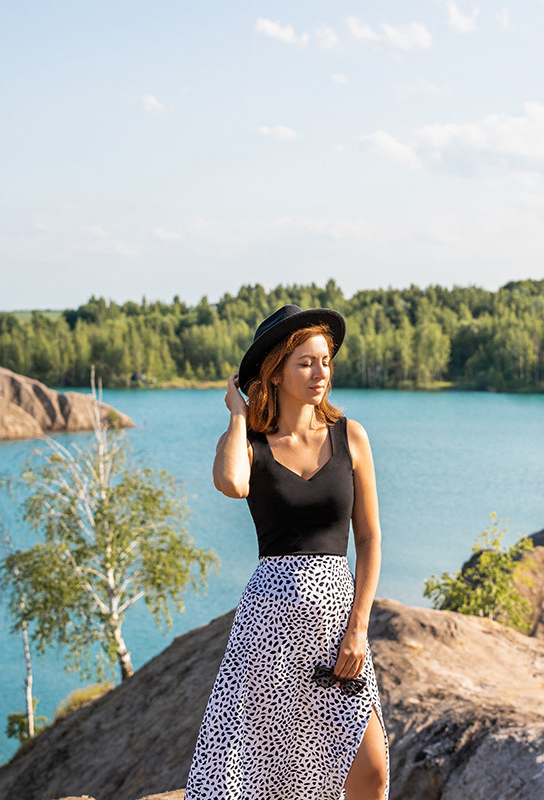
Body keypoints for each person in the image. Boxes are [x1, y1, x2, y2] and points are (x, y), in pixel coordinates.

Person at [183, 304, 390, 800]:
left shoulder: (350, 436)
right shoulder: (249, 444)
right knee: (263, 772)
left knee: (371, 771)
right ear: (275, 373)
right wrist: (238, 413)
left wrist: (359, 627)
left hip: (338, 623)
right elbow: (232, 483)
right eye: (306, 362)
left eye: (326, 361)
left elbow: (369, 538)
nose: (321, 373)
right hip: (268, 632)